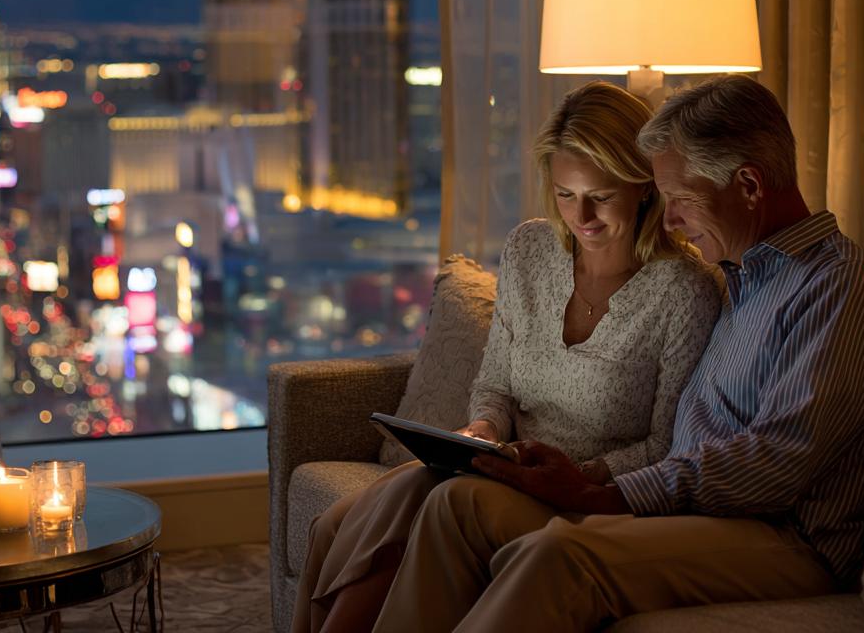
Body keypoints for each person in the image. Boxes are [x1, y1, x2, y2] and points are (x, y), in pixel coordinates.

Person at [372, 75, 864, 633]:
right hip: (687, 516)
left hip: (782, 539)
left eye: (681, 199)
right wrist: (591, 483)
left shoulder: (841, 288)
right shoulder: (748, 278)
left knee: (559, 555)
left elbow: (777, 463)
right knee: (458, 506)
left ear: (749, 185)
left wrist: (608, 495)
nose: (671, 220)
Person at [292, 81, 722, 633]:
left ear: (643, 186)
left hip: (580, 497)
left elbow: (667, 445)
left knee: (423, 501)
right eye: (565, 194)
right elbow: (495, 383)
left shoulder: (684, 290)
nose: (582, 215)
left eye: (601, 195)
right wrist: (481, 430)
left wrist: (578, 475)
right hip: (504, 466)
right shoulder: (530, 250)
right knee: (345, 520)